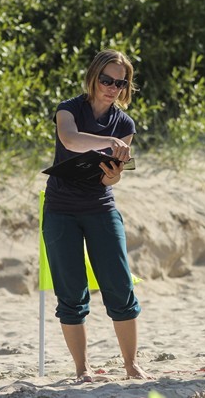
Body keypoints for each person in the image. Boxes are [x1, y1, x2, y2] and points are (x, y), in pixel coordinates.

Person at [42, 49, 152, 382]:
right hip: (60, 208)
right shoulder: (69, 109)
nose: (112, 87)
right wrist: (108, 142)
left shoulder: (125, 123)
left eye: (120, 82)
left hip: (100, 207)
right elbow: (70, 140)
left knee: (120, 287)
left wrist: (114, 175)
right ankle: (82, 369)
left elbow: (109, 178)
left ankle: (131, 366)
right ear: (93, 76)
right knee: (71, 292)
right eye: (106, 79)